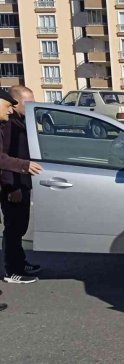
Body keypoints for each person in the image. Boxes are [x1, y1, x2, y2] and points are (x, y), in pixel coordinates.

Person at [0, 89, 43, 306]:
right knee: (14, 228)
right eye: (28, 103)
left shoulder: (20, 121)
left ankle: (20, 262)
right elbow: (4, 159)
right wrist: (11, 187)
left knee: (20, 226)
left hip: (22, 182)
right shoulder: (7, 125)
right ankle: (12, 270)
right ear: (15, 103)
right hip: (14, 185)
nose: (32, 106)